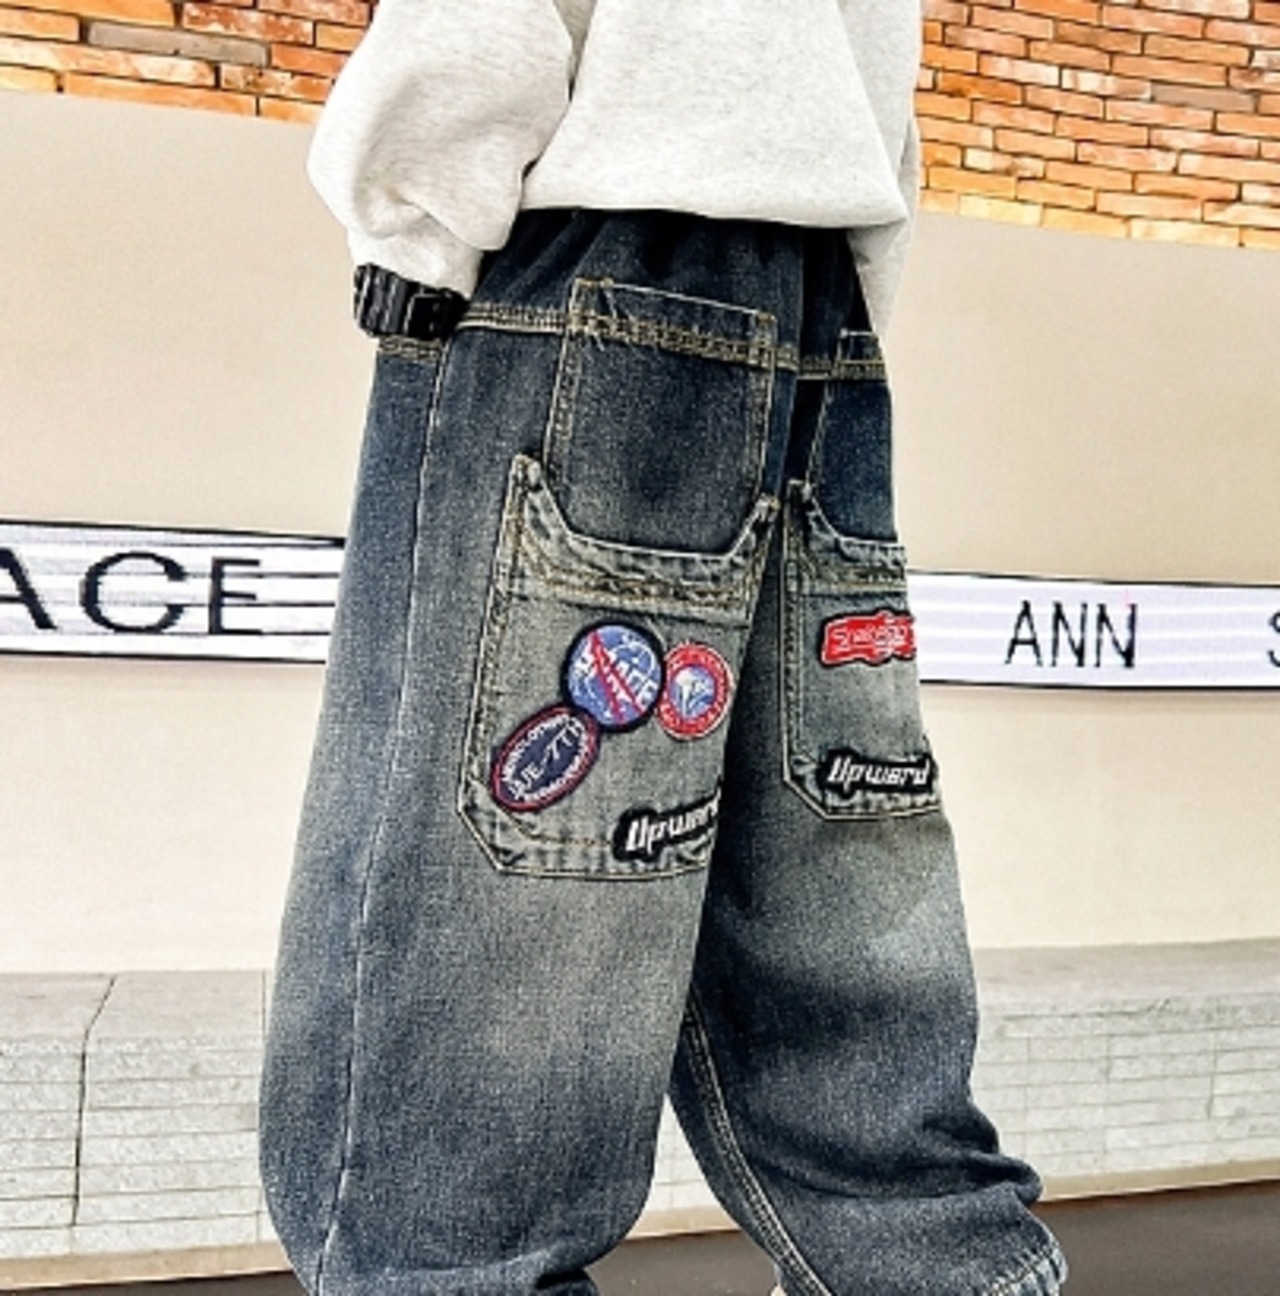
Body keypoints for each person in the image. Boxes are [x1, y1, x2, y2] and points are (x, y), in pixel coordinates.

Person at [259, 3, 1068, 1294]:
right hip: (819, 293)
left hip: (584, 269)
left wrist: (413, 213)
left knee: (484, 900)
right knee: (821, 869)